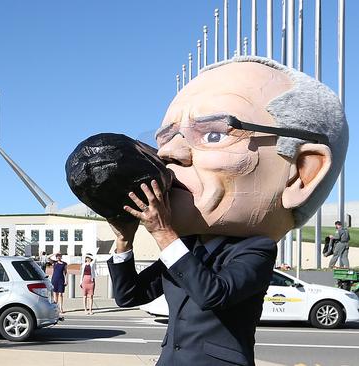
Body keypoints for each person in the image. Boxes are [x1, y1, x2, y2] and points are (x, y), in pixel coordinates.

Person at [107, 57, 347, 366]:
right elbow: (129, 296)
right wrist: (124, 244)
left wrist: (164, 234)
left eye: (213, 134)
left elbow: (214, 295)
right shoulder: (187, 247)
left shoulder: (255, 250)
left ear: (301, 172)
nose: (168, 154)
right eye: (167, 139)